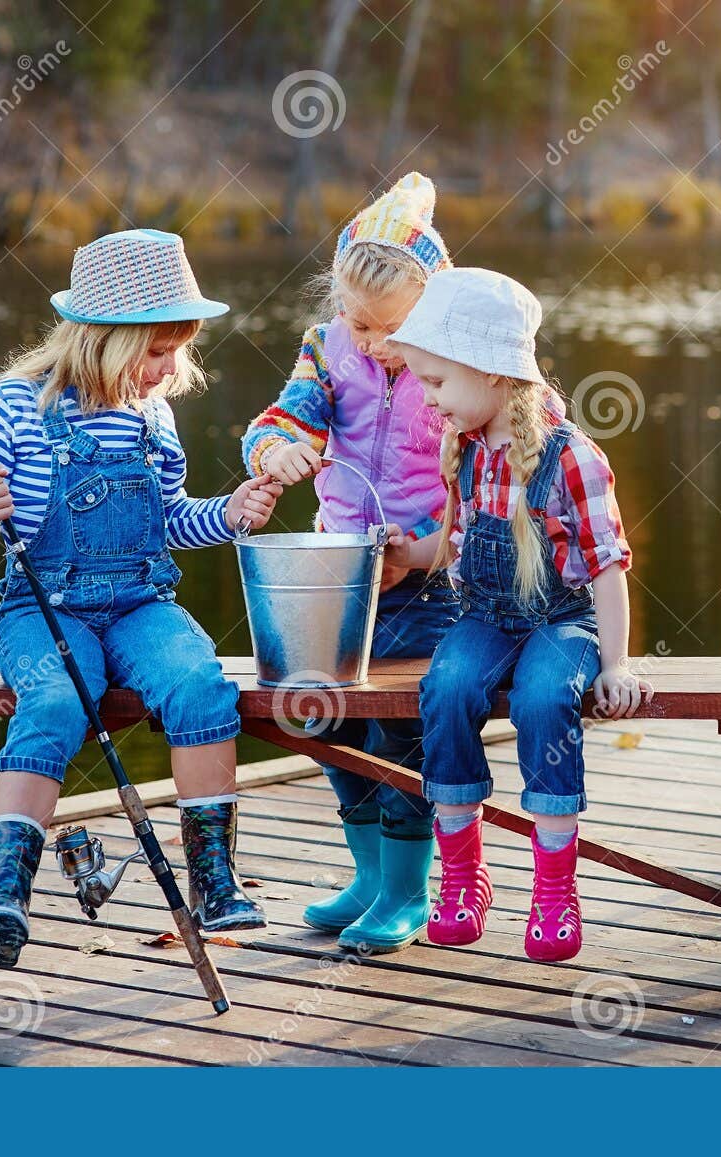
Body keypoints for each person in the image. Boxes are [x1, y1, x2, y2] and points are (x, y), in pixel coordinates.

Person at [0, 228, 282, 967]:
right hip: (43, 606)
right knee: (58, 700)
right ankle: (4, 891)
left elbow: (170, 519)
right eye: (154, 350)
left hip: (139, 603)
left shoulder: (153, 418)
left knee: (199, 684)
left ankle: (214, 878)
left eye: (176, 349)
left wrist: (229, 512)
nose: (167, 368)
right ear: (101, 337)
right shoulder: (14, 407)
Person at [384, 267, 652, 963]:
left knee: (541, 696)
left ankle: (555, 886)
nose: (430, 400)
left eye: (438, 383)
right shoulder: (469, 451)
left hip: (564, 620)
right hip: (487, 617)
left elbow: (608, 567)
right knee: (444, 688)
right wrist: (402, 555)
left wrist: (617, 662)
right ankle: (464, 875)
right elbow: (452, 545)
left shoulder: (572, 459)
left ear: (494, 373)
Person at [240, 174, 458, 954]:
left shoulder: (449, 363)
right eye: (355, 322)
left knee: (402, 727)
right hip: (343, 569)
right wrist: (276, 447)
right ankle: (368, 873)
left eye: (385, 329)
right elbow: (282, 415)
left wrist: (423, 542)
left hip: (428, 579)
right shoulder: (326, 348)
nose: (367, 341)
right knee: (321, 707)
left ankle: (407, 889)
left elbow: (476, 473)